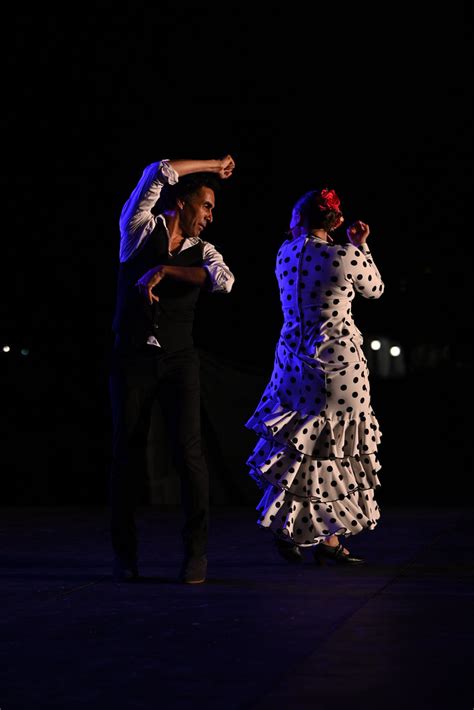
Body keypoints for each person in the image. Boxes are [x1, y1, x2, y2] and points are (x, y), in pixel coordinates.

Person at [109, 156, 235, 584]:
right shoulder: (138, 229)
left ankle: (195, 553)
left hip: (180, 359)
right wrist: (215, 165)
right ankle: (124, 554)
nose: (210, 217)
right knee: (126, 454)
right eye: (206, 206)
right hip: (132, 358)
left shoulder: (205, 252)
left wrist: (166, 270)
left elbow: (224, 280)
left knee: (190, 454)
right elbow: (155, 172)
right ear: (182, 202)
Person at [245, 186, 384, 564]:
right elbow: (375, 289)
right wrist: (361, 245)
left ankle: (293, 529)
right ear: (332, 222)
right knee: (336, 452)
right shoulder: (345, 256)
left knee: (299, 450)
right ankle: (327, 538)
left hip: (293, 364)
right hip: (340, 367)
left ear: (299, 220)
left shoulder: (284, 254)